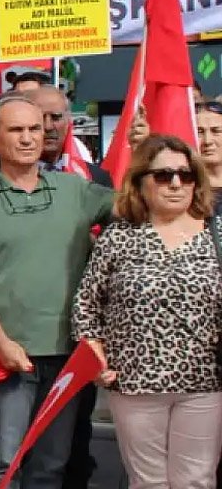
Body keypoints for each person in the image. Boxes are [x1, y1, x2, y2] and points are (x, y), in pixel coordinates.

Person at [0, 93, 113, 489]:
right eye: (16, 129)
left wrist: (155, 154)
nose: (28, 138)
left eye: (35, 128)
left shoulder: (76, 190)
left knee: (50, 467)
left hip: (67, 357)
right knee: (3, 465)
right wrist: (2, 343)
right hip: (8, 361)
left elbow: (142, 205)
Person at [72, 134, 221, 489]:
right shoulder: (118, 237)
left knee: (197, 481)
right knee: (148, 482)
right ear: (141, 183)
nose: (175, 184)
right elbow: (87, 304)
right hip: (135, 383)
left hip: (205, 382)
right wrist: (95, 356)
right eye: (163, 175)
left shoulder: (216, 234)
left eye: (185, 176)